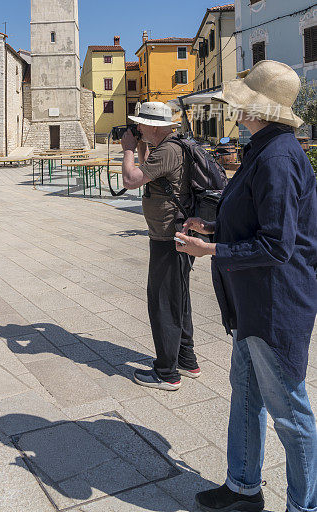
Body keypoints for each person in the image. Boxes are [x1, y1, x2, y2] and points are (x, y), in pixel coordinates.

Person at [175, 60, 317, 512]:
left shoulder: (276, 157)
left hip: (274, 304)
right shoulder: (266, 148)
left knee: (291, 415)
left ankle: (305, 505)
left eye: (242, 106)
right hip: (253, 301)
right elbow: (258, 220)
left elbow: (278, 245)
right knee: (248, 393)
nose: (236, 113)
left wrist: (211, 251)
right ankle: (243, 487)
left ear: (257, 110)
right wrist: (215, 228)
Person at [121, 101, 200, 390]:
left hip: (168, 236)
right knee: (178, 298)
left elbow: (131, 179)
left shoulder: (168, 150)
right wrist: (141, 146)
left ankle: (167, 373)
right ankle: (186, 359)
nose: (137, 128)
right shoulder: (170, 147)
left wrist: (128, 147)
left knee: (163, 302)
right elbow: (148, 171)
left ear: (153, 125)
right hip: (174, 233)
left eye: (140, 124)